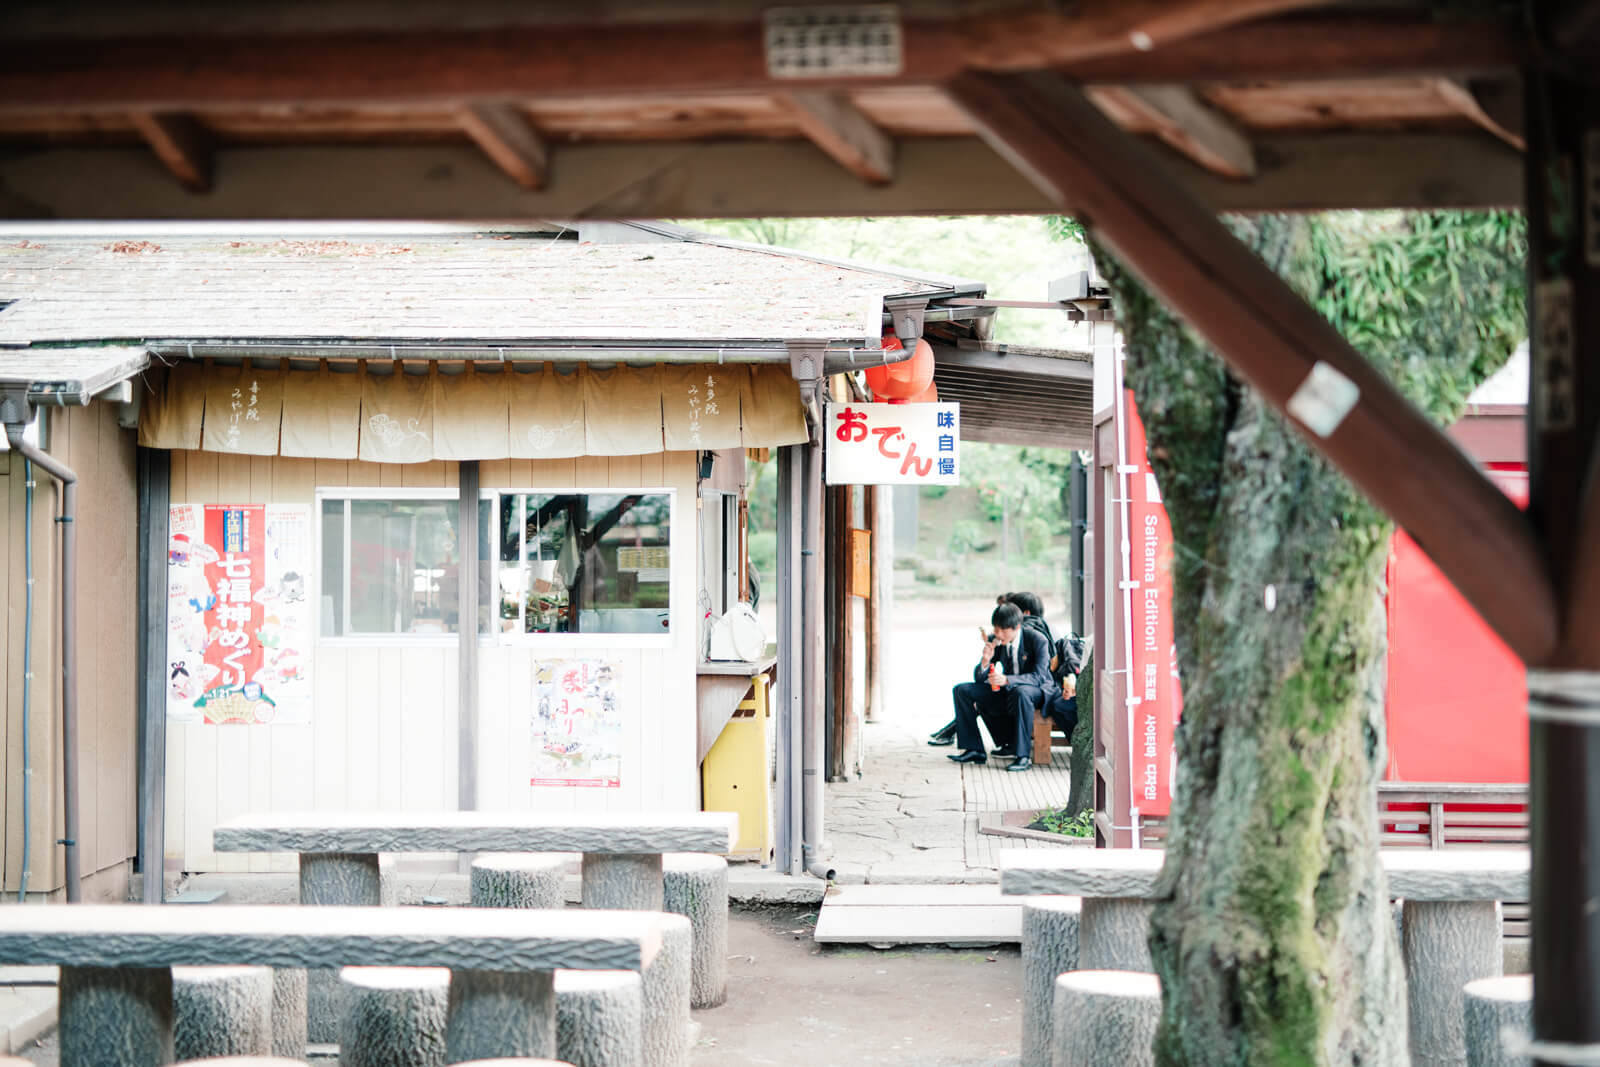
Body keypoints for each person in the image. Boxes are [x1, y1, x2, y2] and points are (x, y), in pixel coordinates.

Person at [948, 601, 1055, 771]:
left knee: (1021, 692)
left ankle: (1023, 756)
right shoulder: (997, 640)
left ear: (1017, 627)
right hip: (1010, 690)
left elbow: (1040, 677)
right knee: (962, 691)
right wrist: (985, 660)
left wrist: (1007, 680)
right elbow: (979, 679)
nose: (998, 634)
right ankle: (974, 749)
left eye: (1003, 630)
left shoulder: (1037, 639)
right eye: (996, 629)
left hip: (1036, 691)